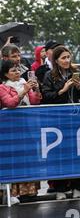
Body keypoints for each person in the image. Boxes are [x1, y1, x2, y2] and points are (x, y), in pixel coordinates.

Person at [41, 46, 80, 200]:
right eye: (63, 58)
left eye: (68, 57)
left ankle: (77, 187)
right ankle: (60, 188)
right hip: (58, 119)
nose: (67, 60)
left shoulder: (75, 72)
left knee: (77, 152)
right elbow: (46, 97)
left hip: (75, 118)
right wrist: (63, 89)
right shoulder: (49, 76)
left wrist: (79, 86)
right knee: (59, 153)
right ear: (56, 60)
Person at [0, 60, 42, 205]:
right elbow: (9, 103)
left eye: (18, 70)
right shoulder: (3, 87)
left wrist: (36, 89)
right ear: (6, 74)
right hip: (11, 130)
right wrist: (23, 91)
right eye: (13, 70)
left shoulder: (24, 82)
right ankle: (13, 193)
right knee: (15, 160)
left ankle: (30, 191)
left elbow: (35, 101)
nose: (17, 72)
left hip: (28, 126)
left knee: (29, 158)